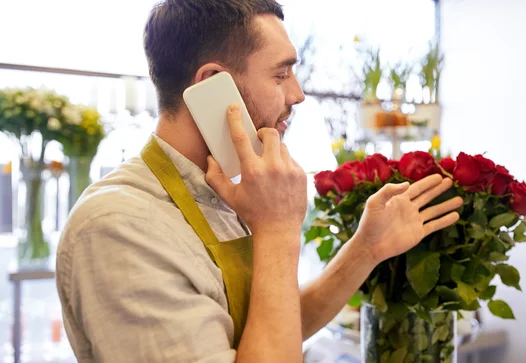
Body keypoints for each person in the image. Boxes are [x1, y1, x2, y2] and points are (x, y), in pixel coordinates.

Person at [55, 1, 464, 362]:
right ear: (213, 84)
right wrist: (279, 228)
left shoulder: (223, 190)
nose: (299, 95)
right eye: (281, 75)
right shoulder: (119, 226)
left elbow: (269, 330)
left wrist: (365, 249)